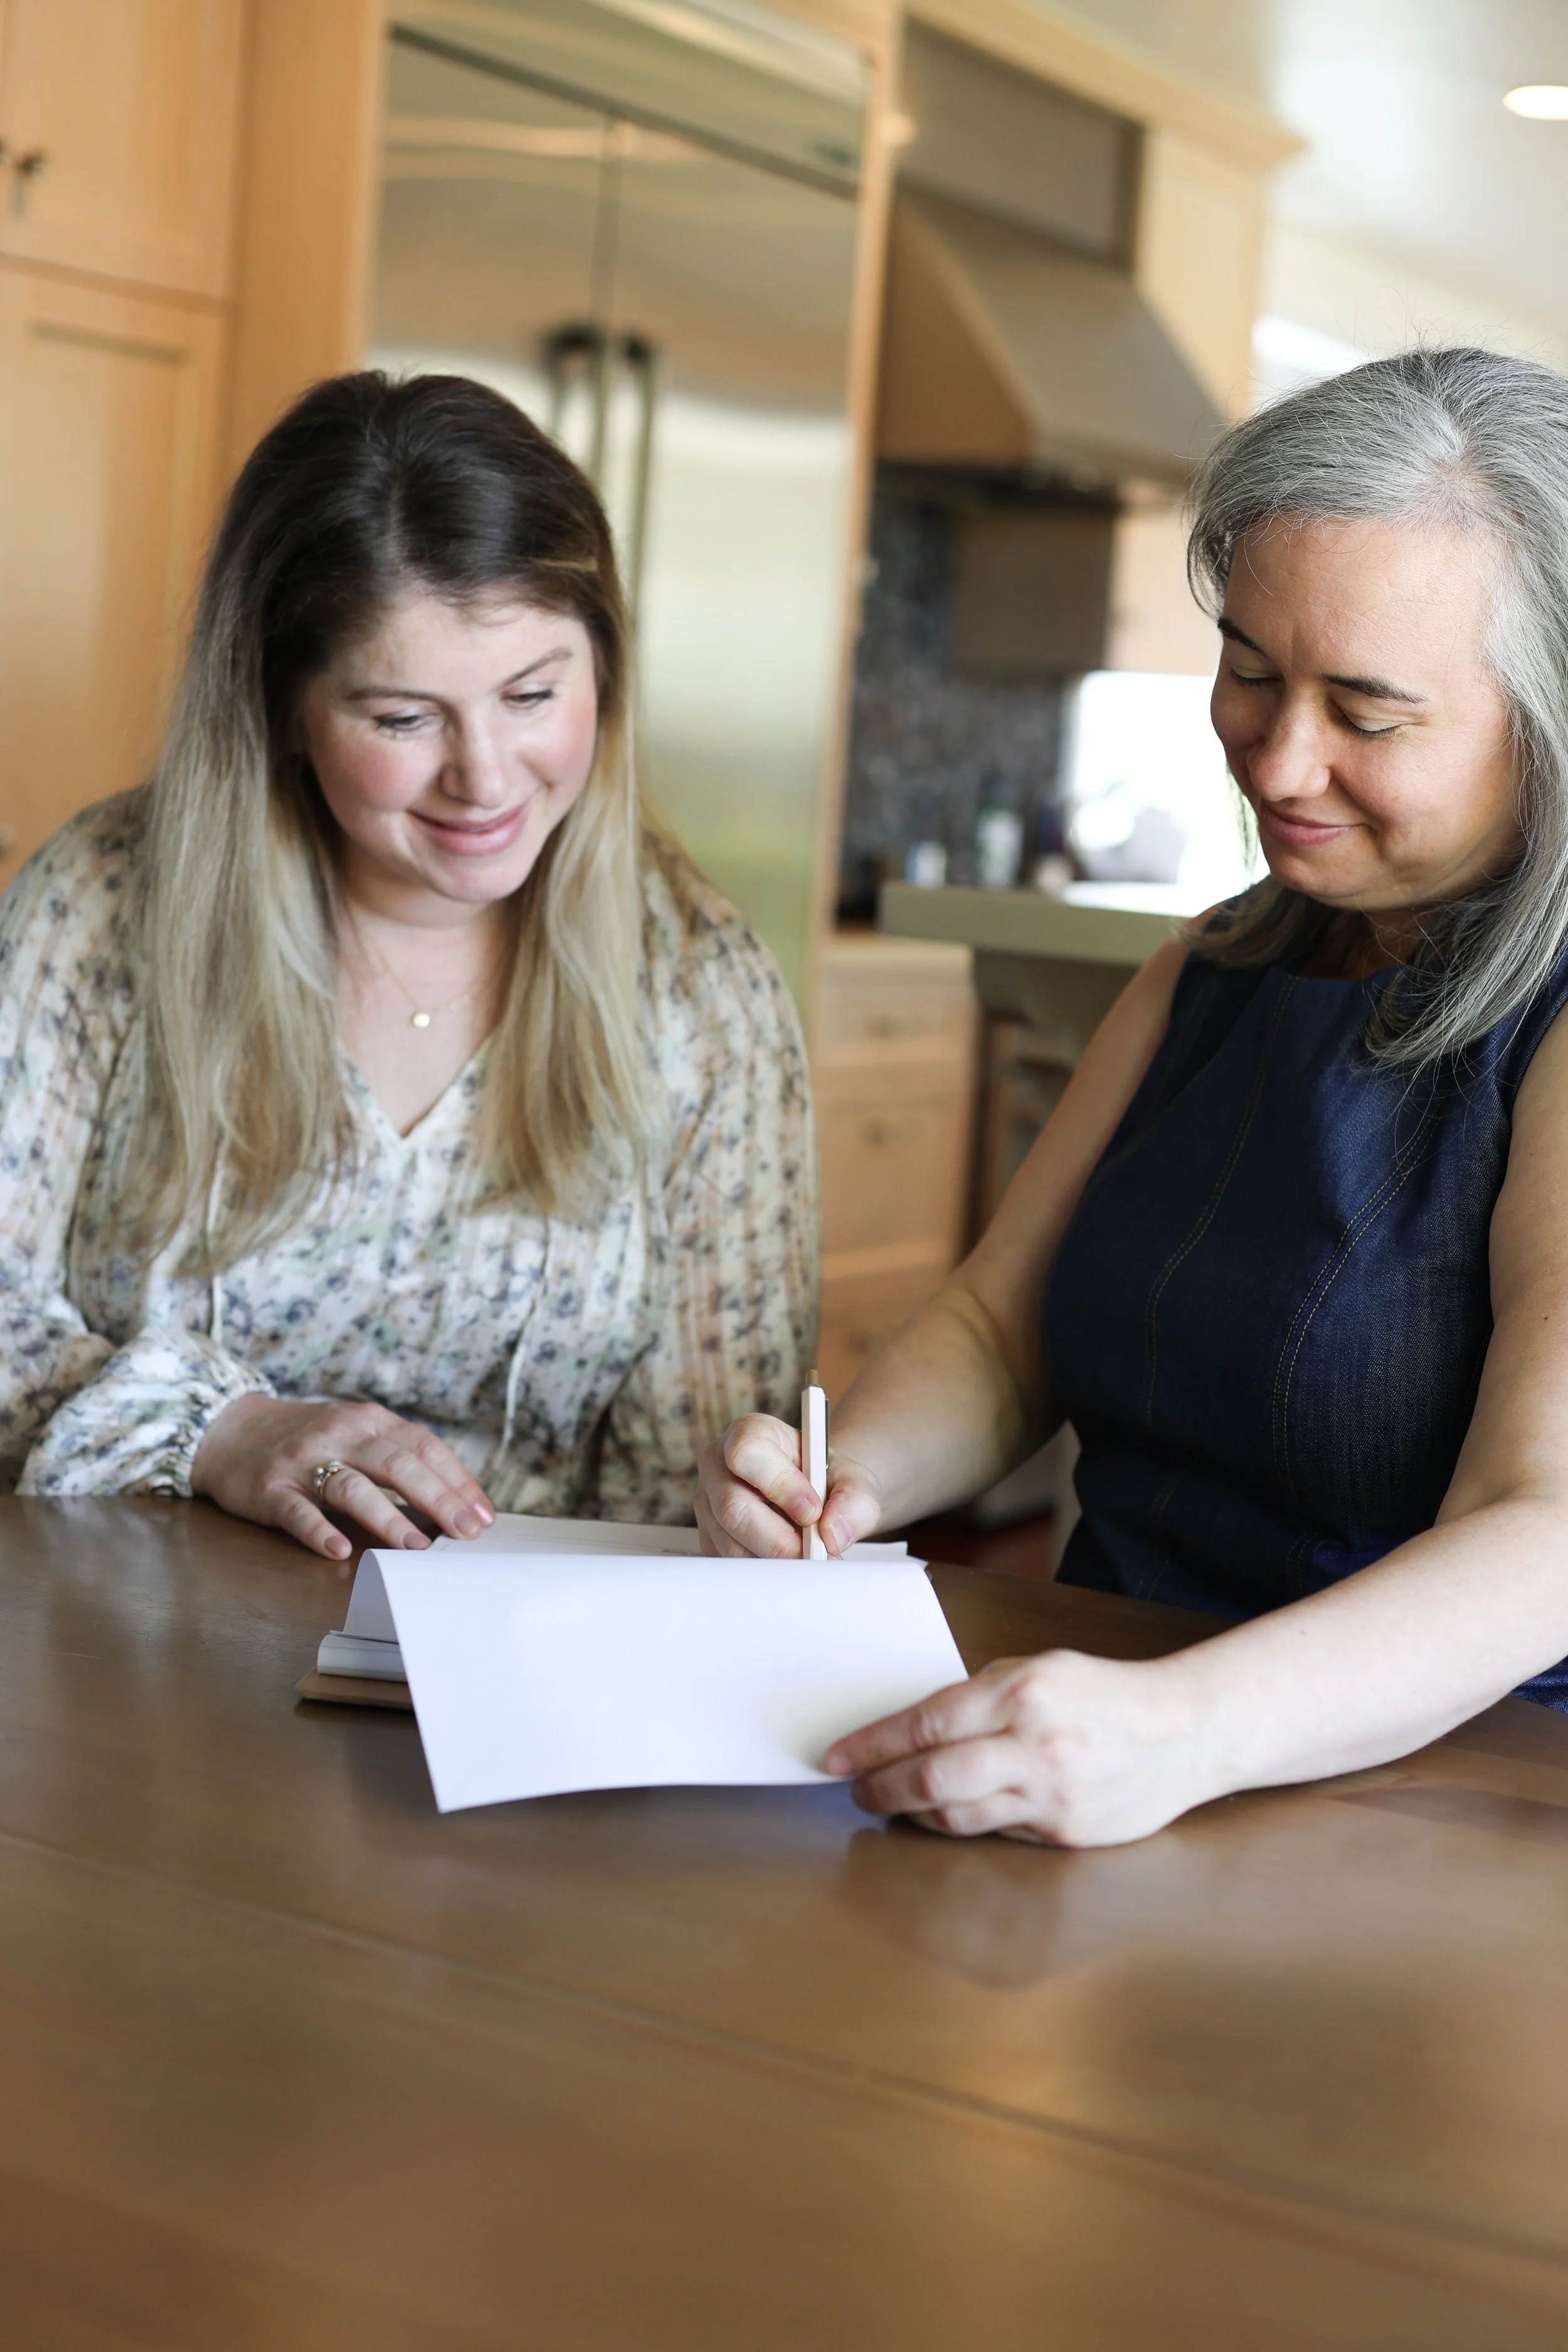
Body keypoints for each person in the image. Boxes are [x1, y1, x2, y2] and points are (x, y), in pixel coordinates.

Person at [699, 344, 1568, 1846]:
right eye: (1247, 672)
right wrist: (843, 1489)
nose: (1278, 762)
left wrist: (1181, 1728)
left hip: (1422, 1808)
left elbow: (1542, 1529)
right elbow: (992, 1336)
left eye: (1364, 713)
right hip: (1091, 1746)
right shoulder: (1213, 969)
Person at [1, 371, 815, 1557]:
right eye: (401, 719)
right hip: (119, 1643)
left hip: (530, 1673)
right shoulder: (102, 905)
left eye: (533, 694)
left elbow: (692, 1482)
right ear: (281, 704)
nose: (484, 778)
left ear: (607, 669)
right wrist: (223, 1432)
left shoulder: (702, 987)